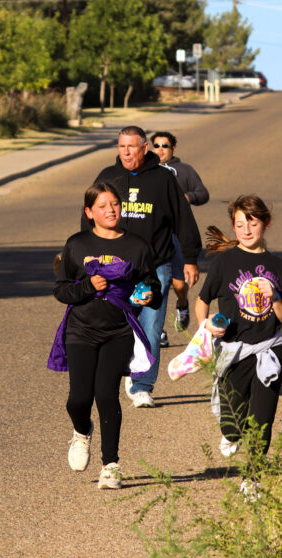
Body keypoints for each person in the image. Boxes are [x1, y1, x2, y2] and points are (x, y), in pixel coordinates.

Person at [49, 183, 162, 489]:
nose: (110, 210)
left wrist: (148, 294)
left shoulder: (137, 246)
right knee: (78, 399)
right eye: (102, 206)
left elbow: (151, 287)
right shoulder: (77, 245)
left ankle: (110, 465)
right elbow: (62, 290)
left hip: (119, 331)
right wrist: (88, 287)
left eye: (114, 204)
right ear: (89, 213)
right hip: (80, 329)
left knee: (106, 395)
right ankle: (82, 432)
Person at [85, 126, 201, 407]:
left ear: (144, 148)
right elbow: (90, 216)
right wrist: (86, 256)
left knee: (150, 327)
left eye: (131, 147)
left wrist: (190, 258)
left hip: (154, 266)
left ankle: (142, 385)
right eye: (121, 146)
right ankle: (116, 371)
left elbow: (182, 219)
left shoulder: (163, 179)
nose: (125, 152)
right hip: (115, 268)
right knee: (115, 325)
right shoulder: (107, 177)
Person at [193, 195, 282, 491]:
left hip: (269, 349)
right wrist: (206, 325)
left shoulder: (278, 266)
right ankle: (232, 434)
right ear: (234, 227)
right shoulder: (224, 262)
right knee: (232, 424)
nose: (247, 230)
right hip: (231, 350)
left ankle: (252, 480)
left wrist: (275, 296)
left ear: (266, 223)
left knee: (262, 421)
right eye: (240, 224)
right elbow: (202, 301)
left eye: (252, 223)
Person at [150, 130, 209, 344]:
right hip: (155, 237)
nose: (160, 150)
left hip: (178, 235)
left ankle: (182, 303)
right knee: (158, 283)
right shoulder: (147, 171)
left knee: (178, 284)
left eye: (165, 145)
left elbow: (203, 194)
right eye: (156, 145)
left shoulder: (184, 170)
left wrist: (186, 196)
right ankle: (159, 330)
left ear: (173, 149)